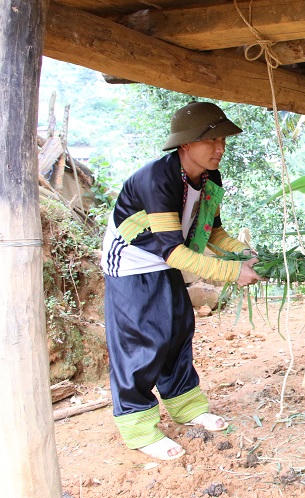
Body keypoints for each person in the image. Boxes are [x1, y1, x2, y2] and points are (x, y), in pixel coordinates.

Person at [101, 101, 262, 460]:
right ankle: (139, 427)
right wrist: (232, 273)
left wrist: (241, 253)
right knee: (143, 340)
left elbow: (212, 232)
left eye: (223, 140)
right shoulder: (158, 179)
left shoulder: (210, 177)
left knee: (177, 329)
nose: (220, 148)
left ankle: (187, 407)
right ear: (186, 144)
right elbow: (173, 252)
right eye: (211, 141)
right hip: (131, 262)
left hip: (164, 257)